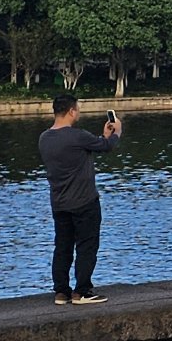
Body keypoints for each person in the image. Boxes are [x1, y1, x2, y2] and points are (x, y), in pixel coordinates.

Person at [39, 93, 122, 304]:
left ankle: (61, 292)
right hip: (84, 202)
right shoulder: (78, 136)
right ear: (71, 111)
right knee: (86, 246)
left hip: (59, 203)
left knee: (63, 246)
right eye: (77, 109)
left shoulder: (44, 138)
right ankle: (82, 291)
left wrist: (102, 137)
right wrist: (115, 133)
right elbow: (106, 146)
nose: (78, 112)